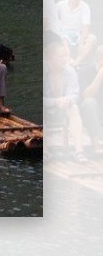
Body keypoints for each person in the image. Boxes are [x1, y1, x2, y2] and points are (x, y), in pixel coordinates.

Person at [46, 32, 89, 162]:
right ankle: (46, 151)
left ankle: (79, 151)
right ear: (50, 57)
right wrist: (55, 101)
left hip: (64, 107)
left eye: (66, 56)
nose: (65, 59)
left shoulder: (70, 71)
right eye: (61, 56)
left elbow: (75, 94)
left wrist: (67, 100)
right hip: (49, 107)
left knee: (74, 108)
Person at [54, 0, 97, 72]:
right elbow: (53, 20)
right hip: (63, 33)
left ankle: (76, 62)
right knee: (63, 38)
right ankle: (69, 60)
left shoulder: (85, 6)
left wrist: (81, 43)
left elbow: (86, 26)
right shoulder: (60, 5)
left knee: (92, 38)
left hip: (78, 34)